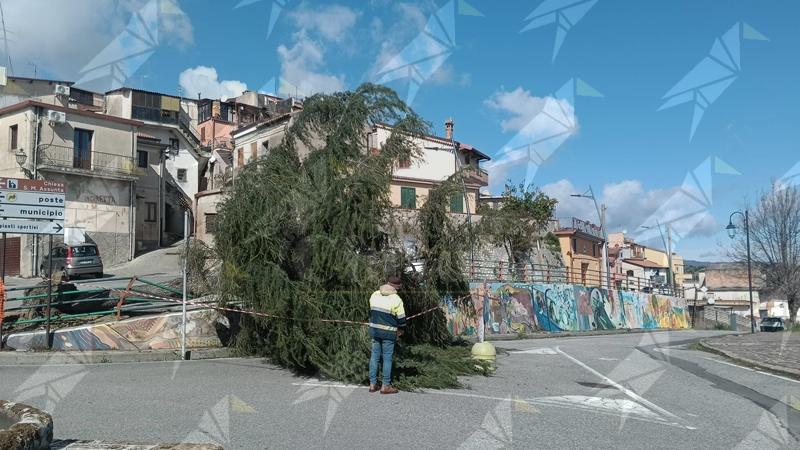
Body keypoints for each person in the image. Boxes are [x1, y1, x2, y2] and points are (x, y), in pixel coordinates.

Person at [368, 275, 406, 394]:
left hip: (374, 330)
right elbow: (401, 319)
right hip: (388, 332)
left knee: (374, 356)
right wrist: (401, 330)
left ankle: (372, 384)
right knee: (387, 358)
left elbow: (371, 311)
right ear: (396, 287)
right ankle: (386, 386)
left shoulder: (374, 294)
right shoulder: (396, 299)